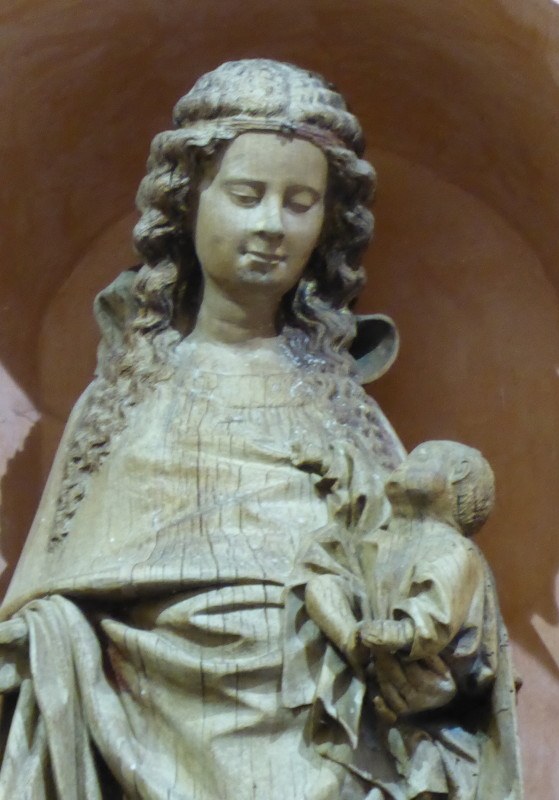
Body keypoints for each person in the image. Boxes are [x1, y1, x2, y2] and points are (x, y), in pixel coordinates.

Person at [0, 60, 407, 799]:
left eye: (300, 203)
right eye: (246, 195)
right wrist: (46, 639)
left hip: (331, 735)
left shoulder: (347, 411)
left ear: (327, 223)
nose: (271, 226)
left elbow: (413, 578)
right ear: (189, 203)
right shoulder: (125, 397)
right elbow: (49, 592)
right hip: (143, 729)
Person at [296, 441, 522, 800]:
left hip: (428, 668)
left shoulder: (453, 549)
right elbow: (357, 502)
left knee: (419, 751)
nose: (405, 463)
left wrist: (406, 631)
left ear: (458, 477)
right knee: (320, 583)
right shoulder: (383, 536)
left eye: (422, 458)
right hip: (377, 652)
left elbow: (439, 610)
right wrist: (331, 466)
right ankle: (351, 642)